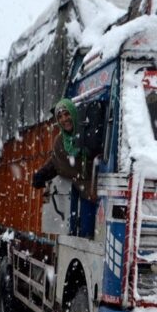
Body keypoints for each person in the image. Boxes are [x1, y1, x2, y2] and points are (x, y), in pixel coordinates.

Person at [32, 98, 99, 237]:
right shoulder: (60, 142)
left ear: (74, 114)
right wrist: (42, 175)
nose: (64, 119)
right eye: (60, 116)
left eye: (67, 114)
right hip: (79, 199)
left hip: (96, 196)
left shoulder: (88, 133)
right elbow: (56, 162)